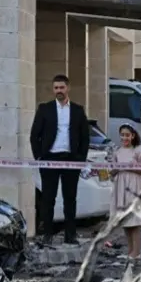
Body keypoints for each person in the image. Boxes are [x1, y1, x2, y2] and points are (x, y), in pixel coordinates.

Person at [30, 73, 90, 245]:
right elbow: (35, 135)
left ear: (68, 88)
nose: (59, 91)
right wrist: (39, 157)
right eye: (56, 88)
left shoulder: (78, 110)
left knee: (70, 199)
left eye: (62, 87)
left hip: (71, 159)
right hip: (50, 159)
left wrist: (80, 158)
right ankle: (47, 234)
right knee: (48, 199)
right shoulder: (44, 109)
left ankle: (70, 235)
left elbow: (85, 137)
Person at [110, 124, 141, 260]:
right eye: (122, 135)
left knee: (135, 221)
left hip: (134, 186)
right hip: (121, 187)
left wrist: (130, 168)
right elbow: (112, 170)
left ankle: (137, 251)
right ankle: (130, 250)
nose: (124, 137)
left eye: (127, 135)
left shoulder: (138, 150)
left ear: (132, 136)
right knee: (126, 221)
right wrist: (115, 170)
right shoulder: (118, 151)